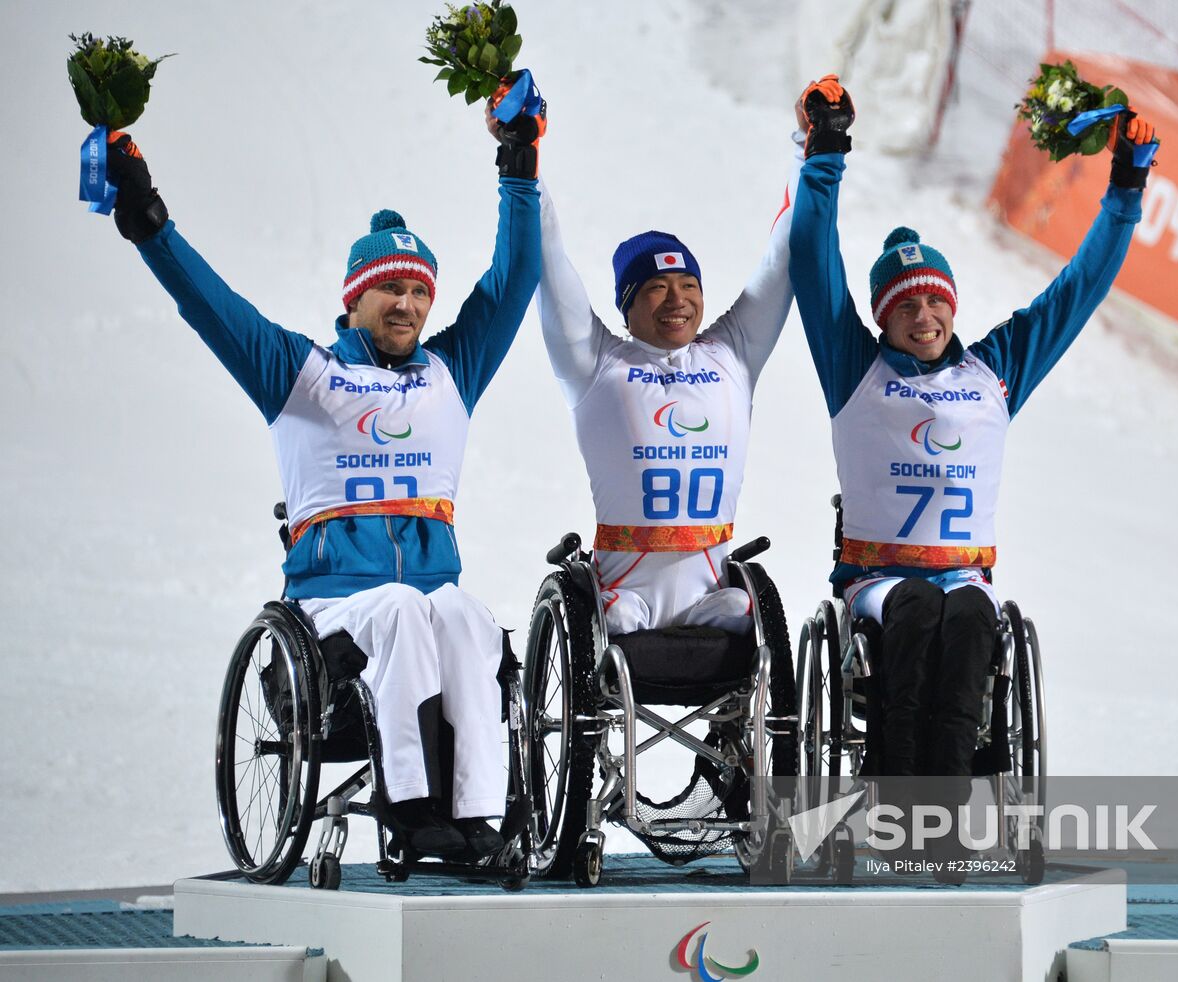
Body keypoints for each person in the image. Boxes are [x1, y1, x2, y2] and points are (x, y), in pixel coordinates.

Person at [93, 83, 547, 861]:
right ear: (355, 300)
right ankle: (410, 810)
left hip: (422, 609)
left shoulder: (451, 372)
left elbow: (516, 278)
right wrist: (150, 225)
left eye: (416, 290)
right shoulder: (300, 375)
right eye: (388, 289)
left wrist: (519, 163)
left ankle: (476, 815)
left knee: (465, 614)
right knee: (405, 607)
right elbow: (213, 305)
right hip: (330, 617)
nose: (405, 304)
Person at [789, 75, 1158, 843]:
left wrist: (1126, 185)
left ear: (952, 307)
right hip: (879, 581)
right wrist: (825, 151)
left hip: (964, 575)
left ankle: (947, 810)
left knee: (968, 616)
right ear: (883, 316)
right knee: (921, 609)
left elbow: (1077, 290)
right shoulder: (855, 367)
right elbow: (812, 262)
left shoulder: (991, 374)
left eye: (935, 302)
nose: (924, 316)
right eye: (906, 306)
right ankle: (893, 803)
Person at [521, 112, 804, 637]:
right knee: (622, 618)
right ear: (627, 306)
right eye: (656, 287)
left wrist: (808, 151)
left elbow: (782, 257)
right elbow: (547, 256)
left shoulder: (731, 355)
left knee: (747, 613)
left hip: (710, 597)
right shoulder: (596, 363)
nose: (678, 300)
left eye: (688, 284)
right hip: (624, 599)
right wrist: (523, 155)